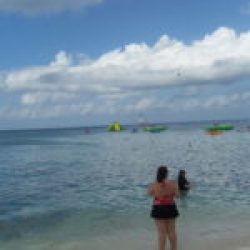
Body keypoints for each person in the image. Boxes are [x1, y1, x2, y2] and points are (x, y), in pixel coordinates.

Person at [148, 166, 179, 250]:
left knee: (161, 233)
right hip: (170, 207)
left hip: (158, 208)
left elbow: (149, 194)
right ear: (167, 174)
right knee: (172, 231)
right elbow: (178, 195)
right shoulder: (173, 183)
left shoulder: (154, 184)